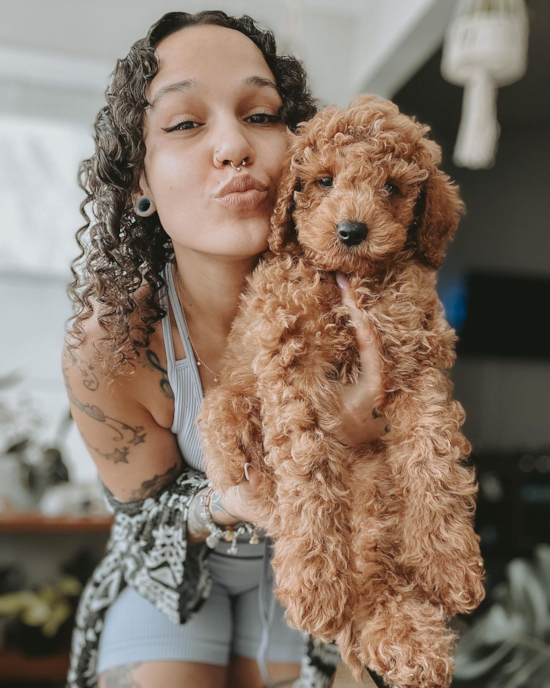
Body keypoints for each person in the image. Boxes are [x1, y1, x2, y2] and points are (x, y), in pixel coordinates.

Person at [62, 10, 387, 688]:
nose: (235, 144)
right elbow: (146, 521)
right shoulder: (112, 345)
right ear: (140, 184)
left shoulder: (367, 306)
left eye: (262, 115)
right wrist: (228, 502)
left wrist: (354, 443)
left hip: (322, 566)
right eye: (185, 124)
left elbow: (403, 497)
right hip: (175, 573)